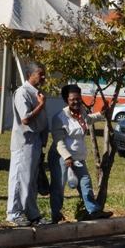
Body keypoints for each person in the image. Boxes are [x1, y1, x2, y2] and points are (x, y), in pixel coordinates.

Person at [49, 84, 112, 223]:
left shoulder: (81, 112)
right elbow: (58, 141)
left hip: (77, 157)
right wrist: (67, 157)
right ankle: (56, 215)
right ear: (66, 100)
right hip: (62, 157)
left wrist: (101, 114)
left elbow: (88, 120)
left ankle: (94, 211)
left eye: (78, 98)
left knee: (85, 183)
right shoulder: (59, 118)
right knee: (59, 187)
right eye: (73, 99)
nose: (76, 102)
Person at [6, 63, 50, 227]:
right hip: (25, 142)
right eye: (40, 74)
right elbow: (25, 119)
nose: (43, 77)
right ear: (30, 75)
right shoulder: (23, 92)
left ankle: (32, 213)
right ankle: (14, 213)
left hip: (36, 142)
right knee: (19, 178)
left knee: (31, 180)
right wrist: (40, 105)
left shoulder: (38, 93)